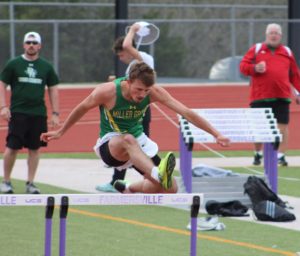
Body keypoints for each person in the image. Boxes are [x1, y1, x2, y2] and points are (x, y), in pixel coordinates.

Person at [40, 62, 230, 194]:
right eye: (138, 89)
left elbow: (187, 112)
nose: (142, 95)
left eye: (146, 91)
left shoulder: (153, 92)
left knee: (170, 188)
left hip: (138, 146)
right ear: (128, 81)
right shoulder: (107, 91)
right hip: (112, 145)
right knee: (127, 139)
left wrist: (216, 134)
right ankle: (157, 173)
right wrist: (60, 131)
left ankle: (128, 187)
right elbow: (81, 108)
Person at [96, 22, 155, 193]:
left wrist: (134, 29)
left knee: (137, 145)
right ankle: (117, 181)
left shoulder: (144, 59)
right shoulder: (133, 66)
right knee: (124, 141)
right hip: (130, 105)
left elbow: (127, 44)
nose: (120, 58)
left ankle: (149, 177)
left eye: (121, 55)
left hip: (140, 107)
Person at [0, 31, 60, 194]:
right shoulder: (14, 64)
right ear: (24, 45)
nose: (31, 45)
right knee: (12, 147)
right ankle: (6, 181)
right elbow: (2, 84)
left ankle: (30, 183)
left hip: (38, 114)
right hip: (18, 113)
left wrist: (55, 113)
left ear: (39, 46)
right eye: (28, 42)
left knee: (35, 149)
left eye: (34, 43)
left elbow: (53, 90)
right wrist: (3, 107)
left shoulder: (46, 67)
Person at [240, 23, 300, 166]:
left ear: (280, 36)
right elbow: (243, 67)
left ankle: (281, 156)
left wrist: (298, 92)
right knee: (259, 127)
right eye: (271, 33)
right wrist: (254, 68)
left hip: (282, 96)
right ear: (267, 35)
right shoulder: (257, 49)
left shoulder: (286, 51)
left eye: (276, 33)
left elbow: (294, 74)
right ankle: (257, 153)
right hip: (260, 96)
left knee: (282, 127)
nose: (273, 35)